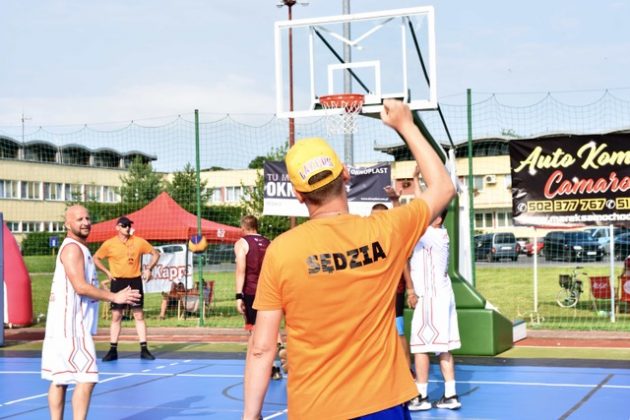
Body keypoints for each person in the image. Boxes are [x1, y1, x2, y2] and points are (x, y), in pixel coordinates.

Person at [243, 99, 456, 420]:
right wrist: (405, 125)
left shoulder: (282, 251)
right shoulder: (386, 229)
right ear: (345, 174)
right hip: (383, 403)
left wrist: (251, 415)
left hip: (315, 407)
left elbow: (262, 347)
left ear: (298, 194)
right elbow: (443, 187)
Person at [41, 205, 141, 420]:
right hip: (72, 325)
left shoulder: (79, 248)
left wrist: (101, 292)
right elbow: (80, 286)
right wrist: (114, 297)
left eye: (88, 218)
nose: (86, 222)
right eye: (79, 219)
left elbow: (82, 287)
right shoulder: (72, 249)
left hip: (63, 324)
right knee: (87, 377)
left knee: (60, 379)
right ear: (68, 224)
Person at [406, 165, 462, 411]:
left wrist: (417, 180)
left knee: (420, 347)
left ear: (437, 217)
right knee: (443, 347)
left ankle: (420, 396)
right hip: (443, 296)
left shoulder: (430, 234)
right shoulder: (440, 234)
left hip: (430, 298)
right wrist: (417, 180)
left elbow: (421, 205)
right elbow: (423, 205)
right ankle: (450, 394)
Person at [93, 216, 160, 361]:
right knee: (117, 315)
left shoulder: (138, 241)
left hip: (135, 281)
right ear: (117, 227)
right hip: (118, 282)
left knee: (138, 315)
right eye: (124, 225)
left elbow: (155, 254)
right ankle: (112, 350)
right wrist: (107, 272)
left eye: (129, 225)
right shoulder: (109, 244)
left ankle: (144, 349)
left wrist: (148, 268)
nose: (127, 228)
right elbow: (96, 258)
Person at [234, 215, 283, 380]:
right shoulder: (269, 242)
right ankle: (279, 349)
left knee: (255, 331)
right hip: (271, 290)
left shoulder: (242, 243)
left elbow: (241, 269)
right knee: (271, 329)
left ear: (243, 227)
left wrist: (238, 295)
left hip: (252, 291)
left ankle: (269, 367)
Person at [371, 201, 415, 371]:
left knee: (398, 330)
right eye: (371, 216)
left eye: (376, 217)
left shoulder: (394, 236)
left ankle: (407, 369)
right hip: (375, 290)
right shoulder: (369, 237)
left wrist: (410, 289)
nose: (372, 220)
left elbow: (404, 264)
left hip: (395, 289)